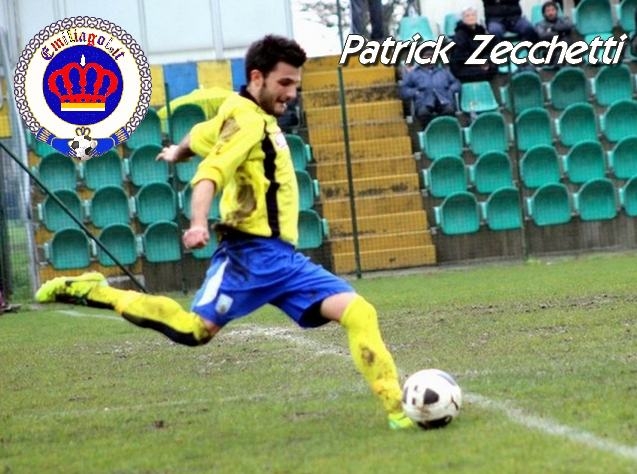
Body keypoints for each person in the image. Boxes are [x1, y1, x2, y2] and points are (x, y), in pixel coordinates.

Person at [34, 35, 415, 431]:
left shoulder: (243, 112)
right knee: (193, 331)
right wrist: (199, 222)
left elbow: (202, 134)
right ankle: (96, 291)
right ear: (257, 77)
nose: (291, 93)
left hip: (283, 260)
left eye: (296, 84)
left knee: (359, 312)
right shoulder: (248, 122)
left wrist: (178, 151)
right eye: (284, 83)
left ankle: (398, 409)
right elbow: (210, 174)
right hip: (247, 257)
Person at [400, 50, 461, 128]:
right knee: (423, 113)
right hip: (423, 101)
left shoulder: (443, 72)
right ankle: (428, 133)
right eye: (426, 55)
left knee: (449, 110)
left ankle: (448, 131)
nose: (430, 58)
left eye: (432, 55)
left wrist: (451, 90)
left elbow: (456, 83)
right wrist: (415, 92)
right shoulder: (413, 74)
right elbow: (404, 90)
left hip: (444, 99)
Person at [450, 7, 498, 83]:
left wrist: (486, 61)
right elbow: (461, 58)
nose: (471, 17)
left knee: (493, 67)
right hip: (463, 67)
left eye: (473, 15)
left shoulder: (480, 30)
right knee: (487, 71)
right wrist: (480, 64)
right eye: (467, 16)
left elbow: (487, 50)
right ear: (463, 19)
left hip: (478, 63)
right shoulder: (460, 35)